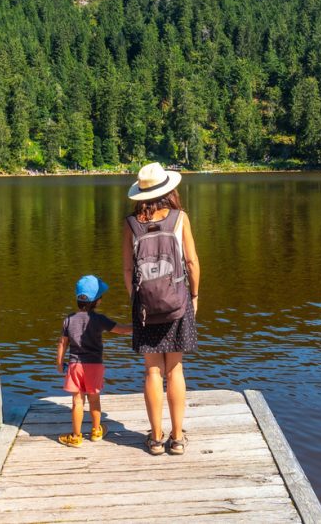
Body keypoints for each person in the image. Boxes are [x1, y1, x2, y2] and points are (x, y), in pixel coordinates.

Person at [122, 162, 200, 455]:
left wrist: (138, 298)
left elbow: (128, 270)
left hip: (145, 307)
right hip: (177, 302)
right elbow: (192, 263)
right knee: (175, 369)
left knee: (151, 372)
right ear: (168, 189)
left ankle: (155, 438)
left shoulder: (130, 224)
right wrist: (194, 295)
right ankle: (177, 438)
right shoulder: (180, 219)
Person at [56, 275, 131, 447]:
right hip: (95, 366)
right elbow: (120, 330)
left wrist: (59, 363)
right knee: (94, 399)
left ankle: (76, 436)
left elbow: (62, 342)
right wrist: (137, 328)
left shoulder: (69, 319)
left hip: (75, 365)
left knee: (77, 401)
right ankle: (96, 431)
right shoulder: (99, 319)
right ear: (97, 301)